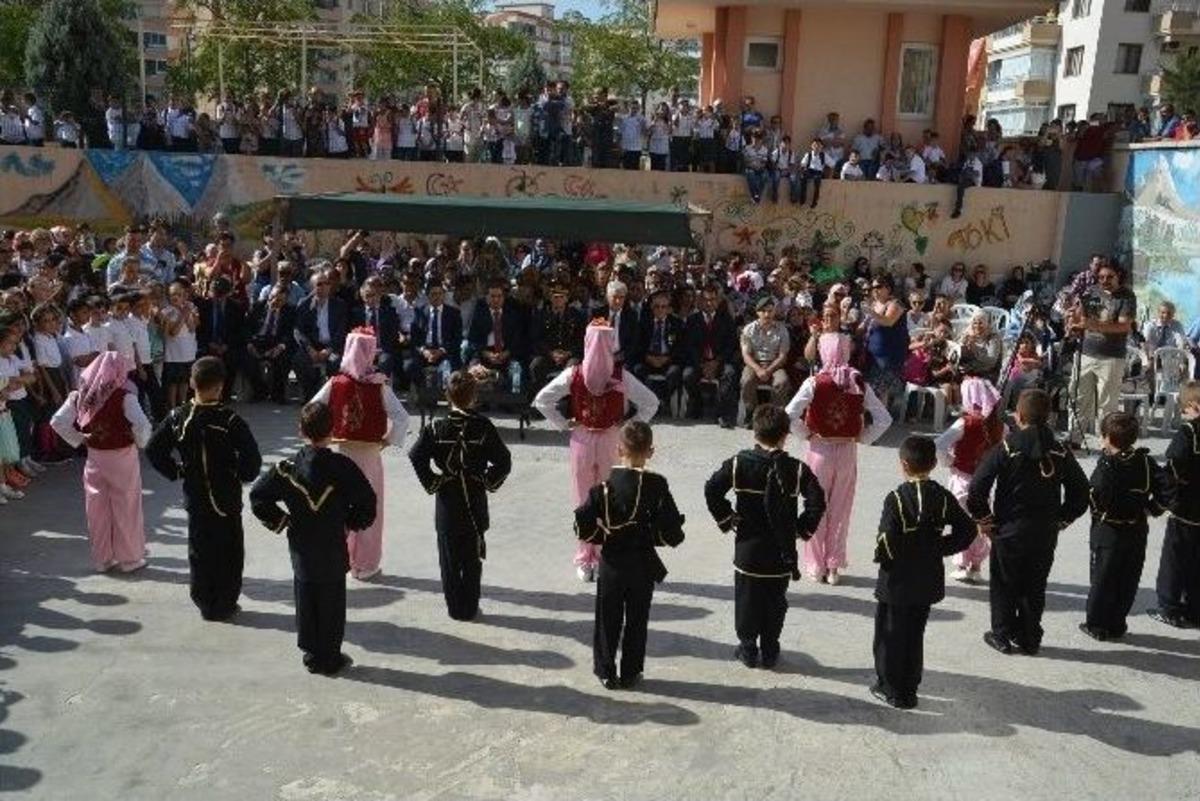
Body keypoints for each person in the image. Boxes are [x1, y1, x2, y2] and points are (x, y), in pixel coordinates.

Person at [249, 402, 377, 676]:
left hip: (302, 546)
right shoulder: (343, 466)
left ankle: (311, 653)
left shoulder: (286, 467)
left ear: (300, 431)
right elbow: (368, 501)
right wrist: (350, 523)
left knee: (306, 596)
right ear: (332, 431)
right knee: (332, 600)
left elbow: (258, 496)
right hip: (332, 544)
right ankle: (330, 656)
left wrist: (283, 521)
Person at [532, 322, 660, 582]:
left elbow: (543, 399)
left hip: (589, 438)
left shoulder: (579, 374)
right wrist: (629, 424)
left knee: (587, 499)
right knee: (602, 498)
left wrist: (564, 423)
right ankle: (595, 556)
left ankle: (591, 556)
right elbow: (651, 403)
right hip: (606, 438)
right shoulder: (599, 375)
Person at [967, 389, 1089, 655]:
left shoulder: (1007, 448)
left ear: (1018, 415)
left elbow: (976, 487)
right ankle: (1029, 637)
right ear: (1049, 417)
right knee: (1035, 585)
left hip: (1009, 528)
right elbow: (1081, 491)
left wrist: (984, 520)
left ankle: (1001, 633)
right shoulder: (1059, 450)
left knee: (1004, 583)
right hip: (1045, 530)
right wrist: (1063, 518)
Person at [704, 404, 826, 669]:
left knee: (746, 601)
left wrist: (727, 518)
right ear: (785, 435)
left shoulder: (739, 463)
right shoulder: (796, 469)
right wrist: (801, 529)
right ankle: (770, 649)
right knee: (775, 602)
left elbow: (712, 489)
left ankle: (748, 649)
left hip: (748, 550)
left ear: (754, 433)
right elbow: (817, 502)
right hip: (780, 551)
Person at [146, 357, 262, 621]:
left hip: (195, 496)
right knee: (229, 550)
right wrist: (241, 474)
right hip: (226, 497)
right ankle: (225, 602)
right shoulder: (230, 420)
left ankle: (205, 603)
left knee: (200, 551)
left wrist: (176, 471)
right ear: (220, 386)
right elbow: (252, 462)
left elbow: (154, 449)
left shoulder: (178, 417)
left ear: (191, 383)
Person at [575, 421, 684, 689]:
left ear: (618, 448)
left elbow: (582, 524)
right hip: (642, 564)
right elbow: (672, 531)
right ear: (651, 451)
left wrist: (602, 537)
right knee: (638, 618)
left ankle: (605, 670)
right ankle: (631, 672)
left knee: (607, 617)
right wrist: (657, 537)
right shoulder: (657, 485)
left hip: (611, 562)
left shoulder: (600, 489)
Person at [871, 435, 977, 709]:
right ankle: (910, 687)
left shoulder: (895, 498)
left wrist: (884, 559)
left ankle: (890, 687)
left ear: (904, 464)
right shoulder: (942, 496)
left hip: (896, 580)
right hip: (927, 579)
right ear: (932, 464)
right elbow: (968, 529)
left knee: (890, 635)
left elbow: (886, 539)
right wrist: (940, 547)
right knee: (914, 633)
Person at [785, 330, 891, 584]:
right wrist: (862, 437)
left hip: (819, 449)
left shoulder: (814, 381)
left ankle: (815, 564)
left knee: (815, 506)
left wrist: (806, 434)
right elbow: (885, 419)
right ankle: (833, 566)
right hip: (846, 451)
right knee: (840, 509)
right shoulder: (857, 382)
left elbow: (789, 413)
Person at [409, 371, 512, 621]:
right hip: (474, 500)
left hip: (446, 500)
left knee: (449, 559)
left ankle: (456, 608)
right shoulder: (483, 427)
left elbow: (415, 455)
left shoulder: (436, 427)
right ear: (475, 397)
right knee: (472, 559)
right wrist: (485, 479)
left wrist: (434, 480)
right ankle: (470, 606)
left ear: (447, 395)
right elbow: (504, 460)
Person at [310, 328, 409, 581]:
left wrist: (323, 437)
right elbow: (402, 417)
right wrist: (388, 440)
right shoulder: (379, 386)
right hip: (370, 457)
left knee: (340, 507)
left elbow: (312, 408)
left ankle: (340, 559)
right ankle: (365, 564)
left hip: (341, 455)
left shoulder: (335, 383)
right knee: (369, 507)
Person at [50, 352, 152, 573]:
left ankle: (103, 558)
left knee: (97, 508)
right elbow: (142, 426)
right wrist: (140, 442)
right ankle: (130, 558)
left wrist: (79, 439)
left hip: (95, 457)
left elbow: (57, 421)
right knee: (126, 506)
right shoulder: (125, 397)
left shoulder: (79, 397)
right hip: (122, 456)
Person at [1081, 411, 1172, 641]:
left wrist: (1099, 512)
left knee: (1102, 578)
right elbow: (1168, 489)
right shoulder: (1145, 461)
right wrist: (1152, 508)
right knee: (1127, 578)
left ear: (1107, 438)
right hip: (1136, 529)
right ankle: (1117, 622)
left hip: (1108, 531)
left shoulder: (1107, 465)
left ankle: (1097, 624)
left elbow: (1095, 493)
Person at [935, 377, 1005, 582]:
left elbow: (939, 444)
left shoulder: (965, 422)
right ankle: (976, 564)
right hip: (984, 482)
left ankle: (963, 564)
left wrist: (949, 461)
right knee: (979, 520)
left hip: (962, 478)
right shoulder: (999, 426)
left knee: (962, 522)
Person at [1148, 381, 1200, 629]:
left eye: (1185, 409)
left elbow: (1173, 471)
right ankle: (1194, 609)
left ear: (1194, 406)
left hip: (1186, 508)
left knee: (1175, 559)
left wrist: (1159, 503)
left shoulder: (1189, 432)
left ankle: (1169, 606)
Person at [1067, 261, 1135, 448]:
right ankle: (1074, 439)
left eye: (1109, 277)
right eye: (1101, 277)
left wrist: (1094, 325)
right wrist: (1074, 319)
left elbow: (1124, 326)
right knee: (1078, 397)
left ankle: (1108, 443)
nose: (1104, 280)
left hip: (1111, 357)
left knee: (1107, 404)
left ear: (1118, 276)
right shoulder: (1091, 292)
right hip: (1086, 353)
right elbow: (1081, 319)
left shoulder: (1126, 297)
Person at [682, 284, 739, 428]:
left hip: (719, 361)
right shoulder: (692, 320)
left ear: (718, 301)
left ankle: (721, 412)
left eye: (712, 300)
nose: (709, 303)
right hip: (699, 362)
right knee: (688, 375)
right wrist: (702, 364)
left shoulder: (726, 320)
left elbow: (731, 346)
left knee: (729, 373)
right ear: (700, 301)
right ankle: (696, 404)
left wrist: (716, 362)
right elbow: (689, 346)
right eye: (706, 300)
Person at [739, 295, 791, 423]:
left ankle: (774, 416)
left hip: (774, 364)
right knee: (746, 380)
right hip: (754, 364)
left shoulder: (782, 329)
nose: (767, 314)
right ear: (758, 312)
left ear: (774, 312)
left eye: (770, 311)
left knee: (782, 382)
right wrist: (758, 370)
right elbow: (746, 355)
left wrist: (768, 370)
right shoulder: (749, 329)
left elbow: (783, 356)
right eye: (763, 311)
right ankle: (751, 413)